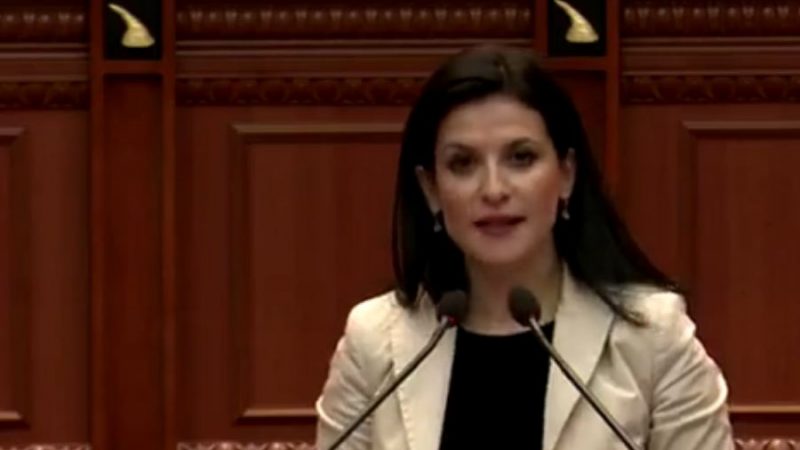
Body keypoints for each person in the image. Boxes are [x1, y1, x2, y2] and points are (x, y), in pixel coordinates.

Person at [314, 45, 733, 450]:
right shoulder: (375, 343)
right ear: (431, 189)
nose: (494, 189)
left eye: (521, 158)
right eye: (463, 163)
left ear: (566, 174)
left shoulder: (654, 338)